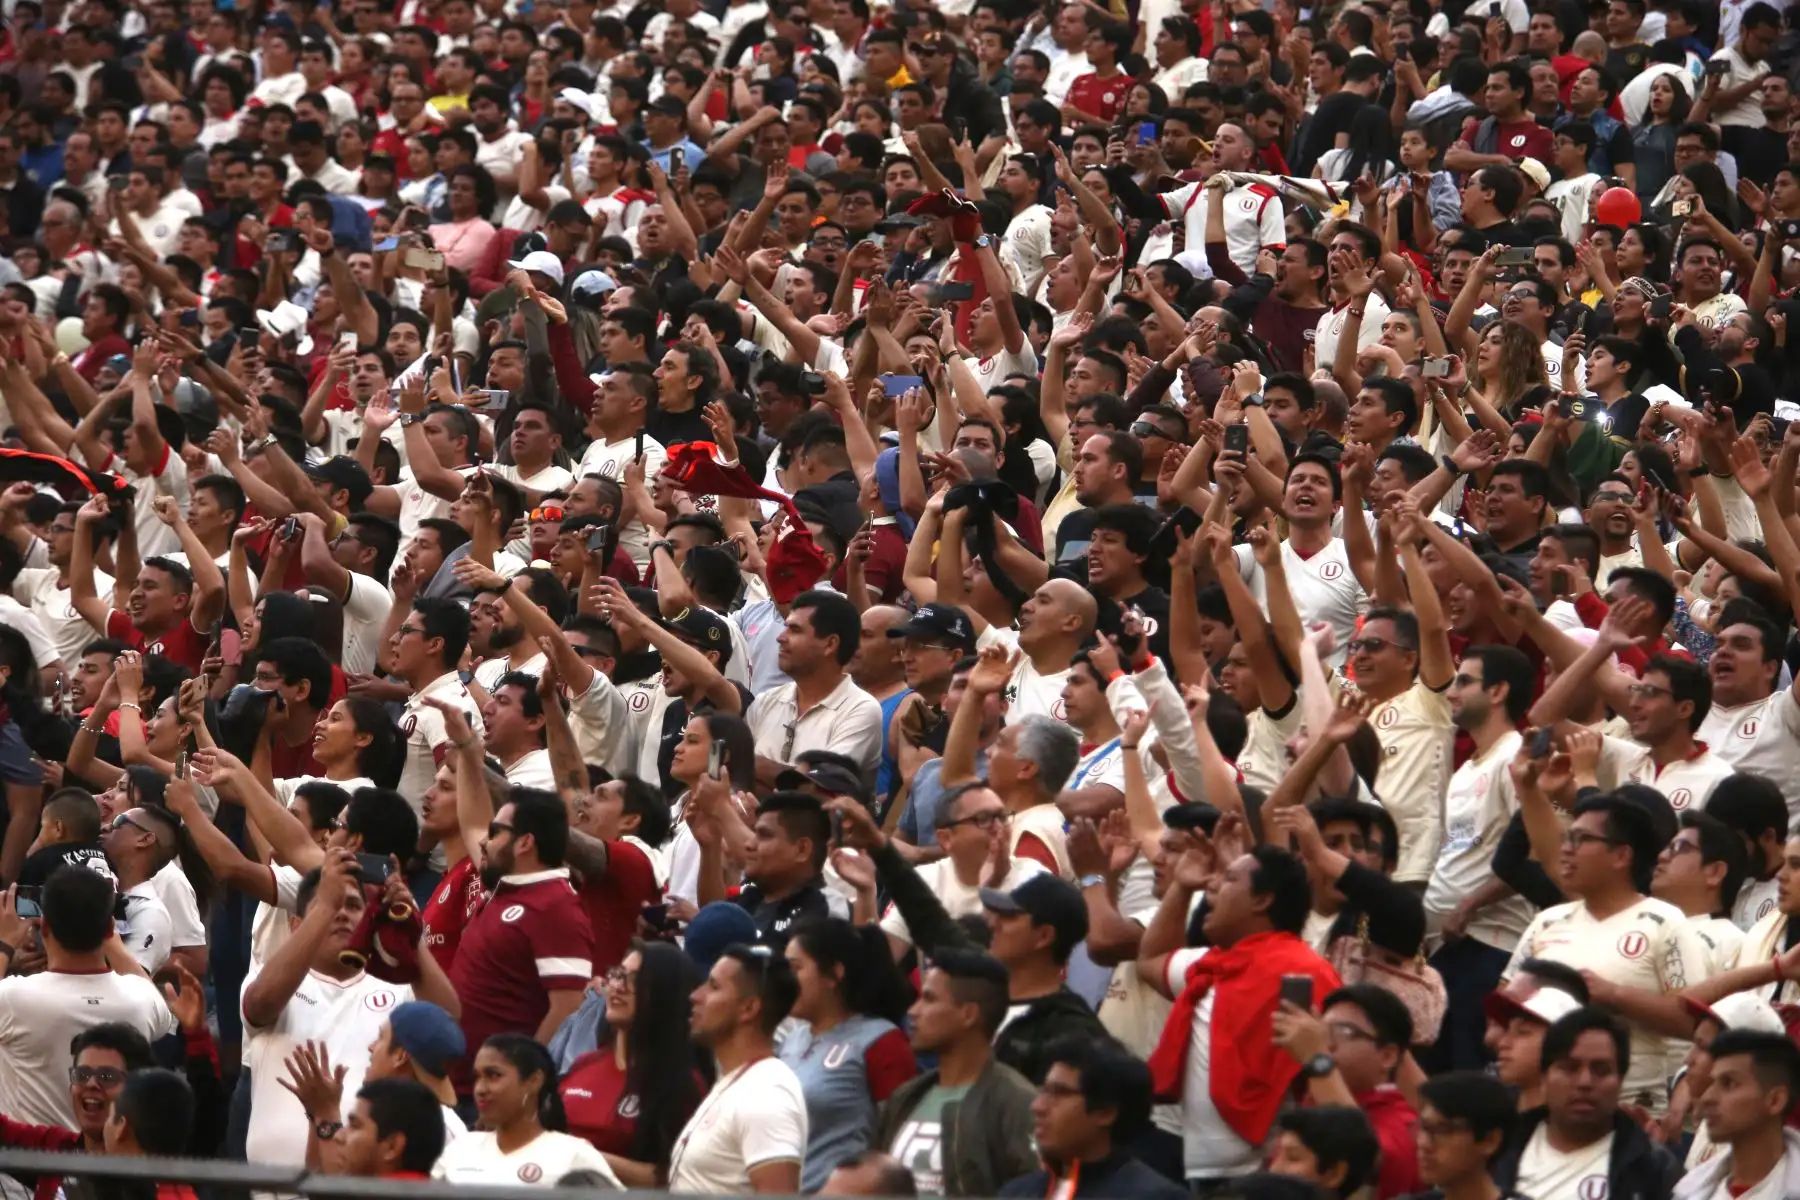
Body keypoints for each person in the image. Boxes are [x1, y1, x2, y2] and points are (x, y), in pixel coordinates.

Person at [1138, 828, 1342, 1188]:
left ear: (1262, 900)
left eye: (1229, 878)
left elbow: (1328, 1074)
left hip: (1268, 1180)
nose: (1211, 887)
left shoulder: (1306, 971)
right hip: (1200, 1174)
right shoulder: (1212, 965)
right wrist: (1181, 887)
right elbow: (1150, 959)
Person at [0, 867, 176, 1129]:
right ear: (109, 929)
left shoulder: (14, 999)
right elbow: (153, 997)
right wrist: (113, 943)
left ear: (45, 926)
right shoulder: (140, 1000)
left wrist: (5, 942)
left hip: (30, 1165)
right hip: (107, 1165)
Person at [449, 789, 596, 1098]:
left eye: (494, 833)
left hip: (495, 1099)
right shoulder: (507, 890)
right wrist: (466, 752)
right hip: (461, 1086)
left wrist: (517, 1088)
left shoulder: (555, 906)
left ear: (525, 842)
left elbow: (568, 1007)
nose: (482, 842)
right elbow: (470, 821)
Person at [875, 948, 1038, 1197]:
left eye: (929, 999)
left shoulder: (1016, 1104)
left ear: (968, 1014)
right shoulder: (905, 1097)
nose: (913, 1011)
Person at [779, 918, 918, 1190]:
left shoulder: (881, 1041)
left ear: (834, 973)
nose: (786, 980)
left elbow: (900, 1137)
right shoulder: (791, 1041)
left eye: (796, 968)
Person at [1490, 1007, 1682, 1199]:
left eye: (1601, 1070)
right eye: (1569, 1068)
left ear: (1621, 1080)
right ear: (1544, 1078)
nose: (1585, 1082)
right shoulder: (1495, 1152)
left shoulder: (1654, 1168)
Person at [558, 942, 706, 1184]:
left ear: (664, 994)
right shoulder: (583, 1064)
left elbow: (673, 1178)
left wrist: (588, 1157)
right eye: (617, 976)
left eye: (635, 980)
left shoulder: (681, 1084)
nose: (617, 987)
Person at [669, 943, 809, 1193]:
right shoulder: (737, 1080)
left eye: (713, 987)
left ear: (749, 1008)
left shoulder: (767, 1094)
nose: (695, 995)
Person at [997, 1038, 1187, 1200]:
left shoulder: (1154, 1196)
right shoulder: (1016, 1193)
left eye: (1059, 1093)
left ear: (1105, 1113)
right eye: (1043, 1091)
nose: (1037, 1106)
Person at [433, 1034, 622, 1185]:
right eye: (478, 1077)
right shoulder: (461, 1148)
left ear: (534, 1081)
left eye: (493, 1075)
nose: (481, 1089)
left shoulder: (575, 1155)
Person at [1673, 1029, 1800, 1198]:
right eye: (1712, 1083)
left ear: (1775, 1100)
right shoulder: (1689, 1190)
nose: (1707, 1098)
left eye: (1729, 1084)